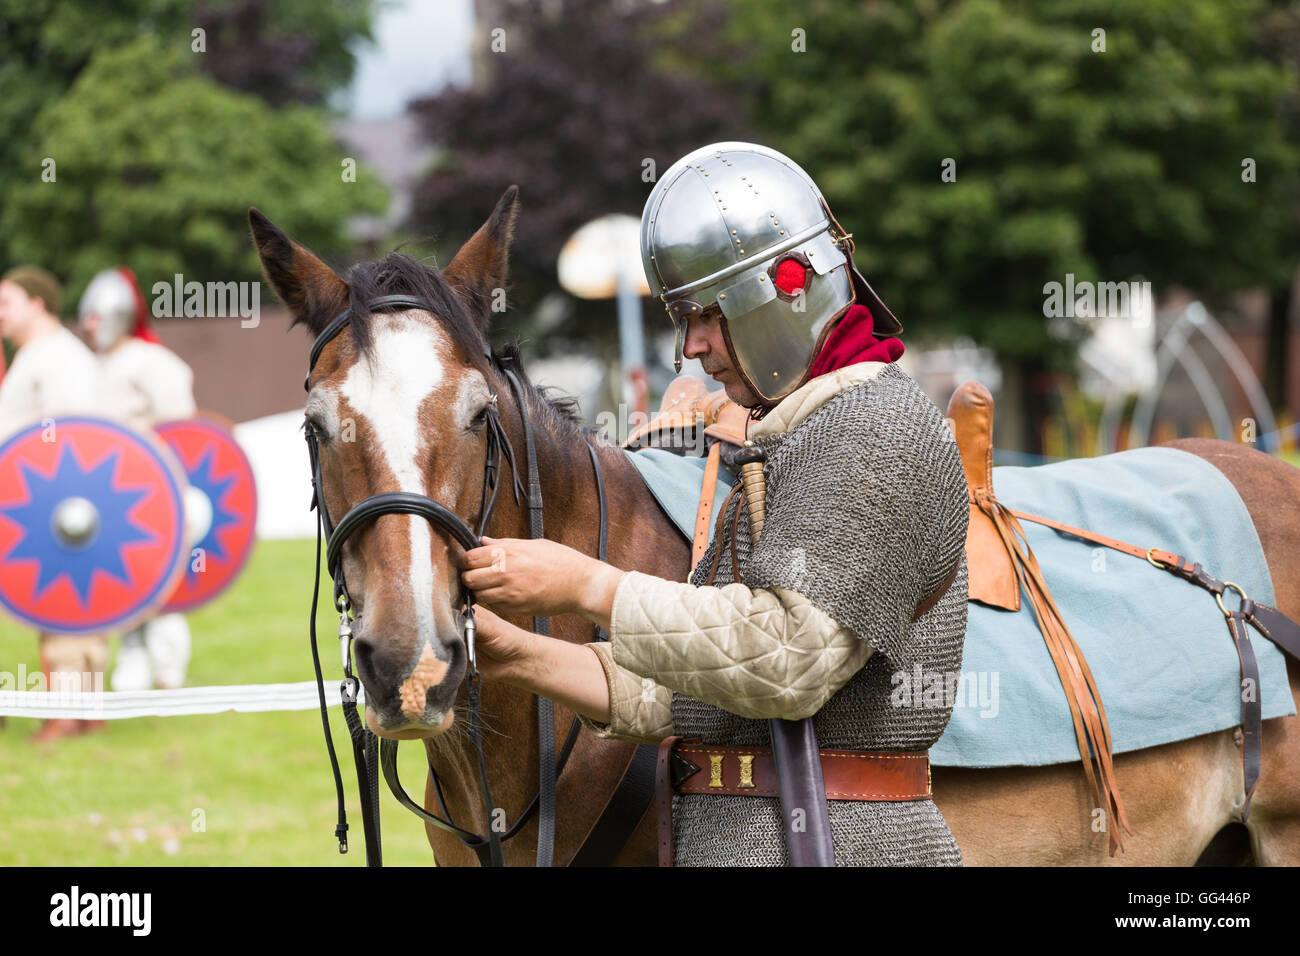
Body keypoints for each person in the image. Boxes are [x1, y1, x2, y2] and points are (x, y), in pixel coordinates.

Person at [458, 142, 971, 866]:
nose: (692, 346)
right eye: (681, 317)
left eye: (705, 312)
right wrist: (518, 654)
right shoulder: (789, 440)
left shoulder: (875, 430)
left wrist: (587, 585)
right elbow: (698, 691)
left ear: (787, 286)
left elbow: (785, 658)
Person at [0, 265, 107, 740]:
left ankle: (71, 714)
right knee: (52, 601)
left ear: (37, 304)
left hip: (56, 502)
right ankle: (76, 711)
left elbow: (74, 436)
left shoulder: (59, 358)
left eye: (7, 302)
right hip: (34, 500)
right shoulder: (35, 356)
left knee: (64, 599)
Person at [79, 267, 197, 691]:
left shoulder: (154, 362)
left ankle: (168, 674)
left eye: (96, 316)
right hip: (106, 495)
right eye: (86, 316)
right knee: (121, 581)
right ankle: (132, 666)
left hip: (152, 493)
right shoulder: (94, 366)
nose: (89, 324)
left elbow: (179, 428)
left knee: (159, 585)